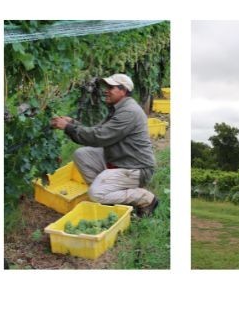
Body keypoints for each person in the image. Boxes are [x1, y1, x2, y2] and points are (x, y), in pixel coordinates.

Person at [50, 74, 160, 217]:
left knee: (95, 194)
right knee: (82, 154)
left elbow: (99, 137)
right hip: (120, 158)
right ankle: (109, 195)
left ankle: (145, 198)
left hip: (135, 167)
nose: (105, 90)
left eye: (111, 87)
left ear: (123, 90)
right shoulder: (119, 108)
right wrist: (72, 123)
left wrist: (67, 127)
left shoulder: (129, 112)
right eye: (106, 87)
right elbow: (99, 131)